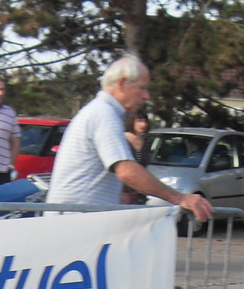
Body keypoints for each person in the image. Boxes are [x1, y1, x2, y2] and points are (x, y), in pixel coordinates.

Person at [47, 54, 212, 222]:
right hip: (76, 221)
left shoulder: (98, 111)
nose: (146, 96)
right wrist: (180, 198)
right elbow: (126, 171)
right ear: (122, 83)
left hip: (74, 219)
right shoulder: (104, 114)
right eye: (142, 88)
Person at [121, 112, 149, 205]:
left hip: (139, 190)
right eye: (139, 121)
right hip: (122, 190)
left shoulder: (145, 142)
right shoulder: (122, 139)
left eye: (145, 121)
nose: (143, 124)